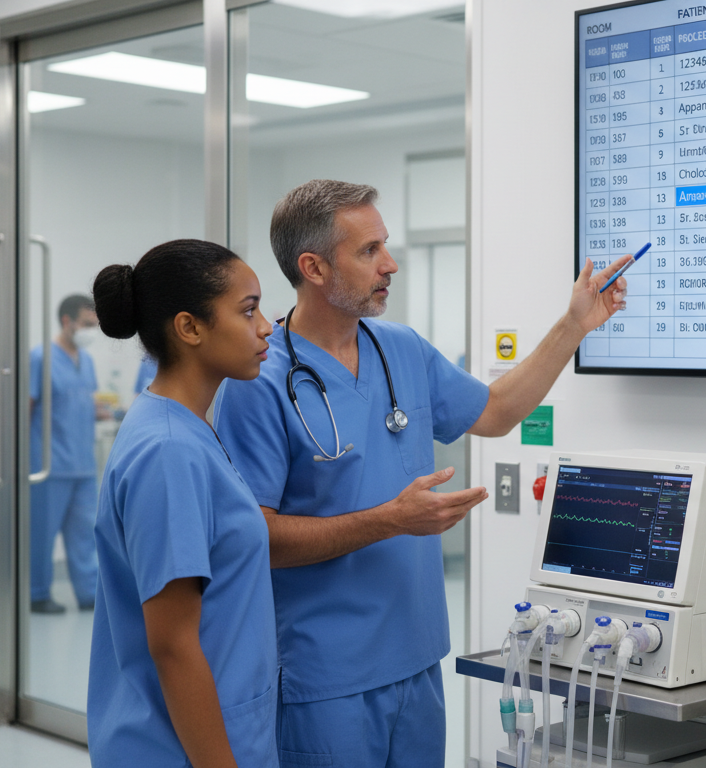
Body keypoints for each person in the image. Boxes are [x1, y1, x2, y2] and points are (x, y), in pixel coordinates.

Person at [213, 179, 630, 767]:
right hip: (325, 678)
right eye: (368, 252)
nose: (391, 264)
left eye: (386, 245)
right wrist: (391, 520)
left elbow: (495, 411)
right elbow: (256, 537)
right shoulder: (259, 381)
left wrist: (573, 326)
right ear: (313, 267)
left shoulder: (400, 348)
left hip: (416, 660)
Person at [88, 240, 278, 768]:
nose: (266, 327)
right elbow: (172, 645)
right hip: (180, 749)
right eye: (248, 310)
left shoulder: (183, 428)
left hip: (210, 731)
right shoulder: (169, 451)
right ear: (190, 328)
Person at [29, 294, 104, 614]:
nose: (92, 331)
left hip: (83, 465)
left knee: (85, 535)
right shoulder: (40, 358)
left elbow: (84, 400)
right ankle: (37, 593)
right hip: (49, 465)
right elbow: (26, 408)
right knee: (41, 536)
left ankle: (89, 594)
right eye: (88, 325)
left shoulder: (86, 360)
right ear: (66, 321)